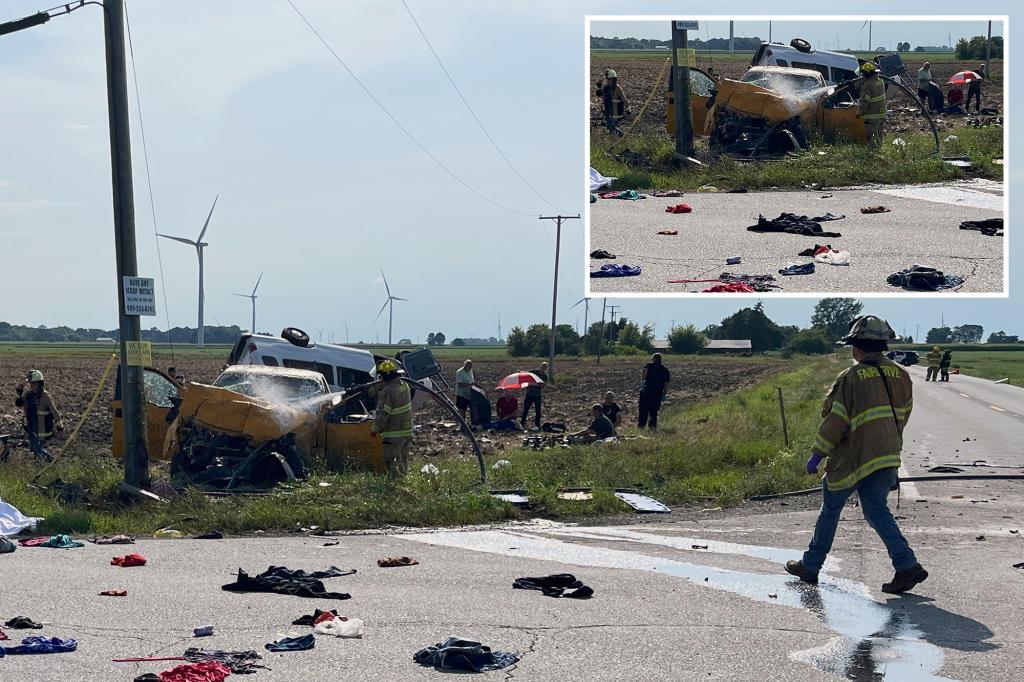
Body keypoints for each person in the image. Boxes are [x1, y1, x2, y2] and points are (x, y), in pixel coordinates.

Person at [785, 316, 927, 594]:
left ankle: (811, 566)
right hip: (887, 454)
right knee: (876, 510)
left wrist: (817, 454)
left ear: (857, 347)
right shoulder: (902, 375)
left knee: (831, 510)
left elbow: (836, 420)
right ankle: (907, 565)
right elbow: (903, 415)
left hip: (854, 456)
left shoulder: (851, 377)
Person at [373, 359, 412, 479]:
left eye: (382, 376)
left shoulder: (388, 391)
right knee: (403, 460)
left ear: (387, 375)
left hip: (394, 434)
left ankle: (396, 487)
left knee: (391, 461)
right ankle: (405, 481)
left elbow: (383, 413)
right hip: (407, 431)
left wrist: (375, 429)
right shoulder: (404, 385)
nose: (381, 379)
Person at [14, 369, 63, 462]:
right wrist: (19, 393)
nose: (31, 385)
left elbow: (54, 410)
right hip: (31, 424)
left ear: (40, 383)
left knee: (37, 446)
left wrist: (59, 424)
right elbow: (19, 403)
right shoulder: (28, 394)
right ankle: (47, 461)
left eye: (34, 383)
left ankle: (46, 462)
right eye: (30, 383)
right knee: (33, 447)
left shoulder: (45, 396)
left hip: (41, 426)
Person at [858, 62, 887, 147]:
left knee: (870, 136)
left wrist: (859, 112)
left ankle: (873, 154)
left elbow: (865, 101)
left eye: (863, 74)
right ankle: (880, 150)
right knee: (879, 135)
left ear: (867, 73)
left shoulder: (867, 85)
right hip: (882, 114)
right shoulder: (880, 81)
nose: (863, 76)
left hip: (872, 116)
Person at [638, 353, 670, 429]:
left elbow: (644, 371)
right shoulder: (665, 370)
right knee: (653, 412)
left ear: (653, 359)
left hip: (646, 392)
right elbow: (666, 384)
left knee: (643, 411)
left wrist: (642, 381)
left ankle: (641, 427)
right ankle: (652, 427)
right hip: (657, 394)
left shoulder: (649, 365)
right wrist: (664, 394)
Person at [595, 69, 628, 136]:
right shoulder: (605, 88)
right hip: (607, 111)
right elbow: (598, 94)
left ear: (614, 79)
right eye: (607, 79)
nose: (608, 81)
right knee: (609, 127)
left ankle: (622, 136)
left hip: (616, 112)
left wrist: (628, 109)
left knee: (612, 127)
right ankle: (615, 137)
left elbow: (624, 100)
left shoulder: (618, 89)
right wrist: (598, 87)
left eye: (609, 79)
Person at [521, 362, 547, 430]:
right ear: (540, 366)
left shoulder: (545, 376)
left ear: (546, 368)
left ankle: (537, 425)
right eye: (543, 366)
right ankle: (522, 423)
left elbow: (543, 386)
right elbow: (527, 375)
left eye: (545, 367)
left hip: (538, 395)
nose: (543, 368)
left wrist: (533, 384)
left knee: (538, 411)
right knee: (525, 409)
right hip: (529, 394)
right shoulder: (534, 372)